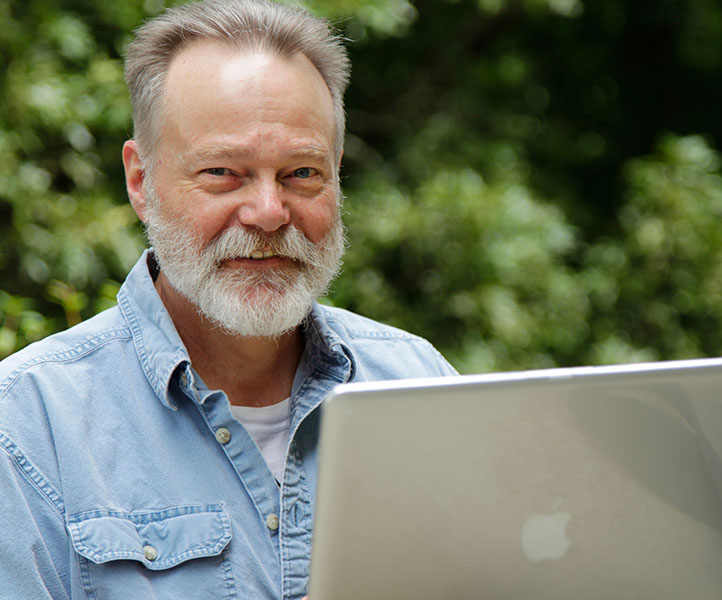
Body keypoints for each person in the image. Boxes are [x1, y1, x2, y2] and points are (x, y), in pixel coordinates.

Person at [0, 0, 456, 598]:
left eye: (301, 173)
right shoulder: (30, 427)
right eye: (222, 172)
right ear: (141, 181)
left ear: (337, 174)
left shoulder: (422, 386)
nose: (269, 212)